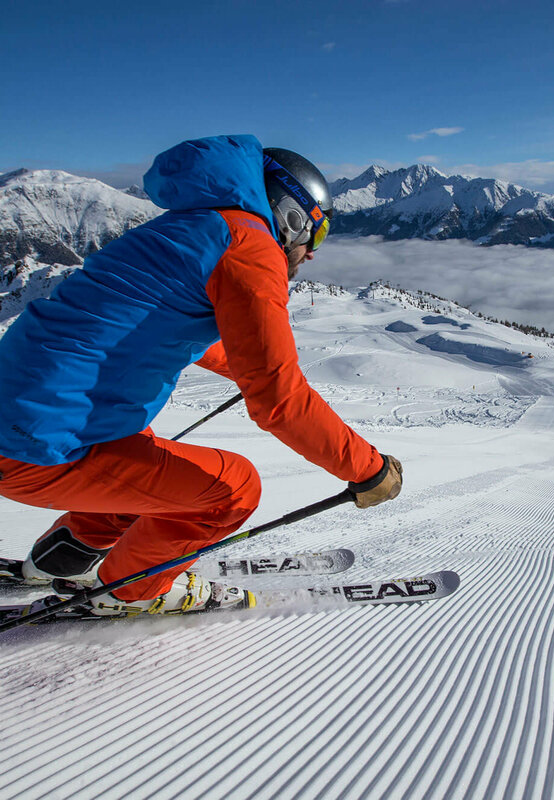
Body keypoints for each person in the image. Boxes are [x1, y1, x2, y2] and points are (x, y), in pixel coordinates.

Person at [0, 135, 402, 616]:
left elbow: (156, 326)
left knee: (155, 470)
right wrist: (368, 470)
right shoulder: (250, 247)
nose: (311, 253)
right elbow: (279, 403)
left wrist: (250, 369)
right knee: (231, 490)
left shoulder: (193, 227)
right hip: (34, 447)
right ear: (290, 216)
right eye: (313, 236)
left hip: (28, 420)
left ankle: (60, 562)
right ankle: (129, 592)